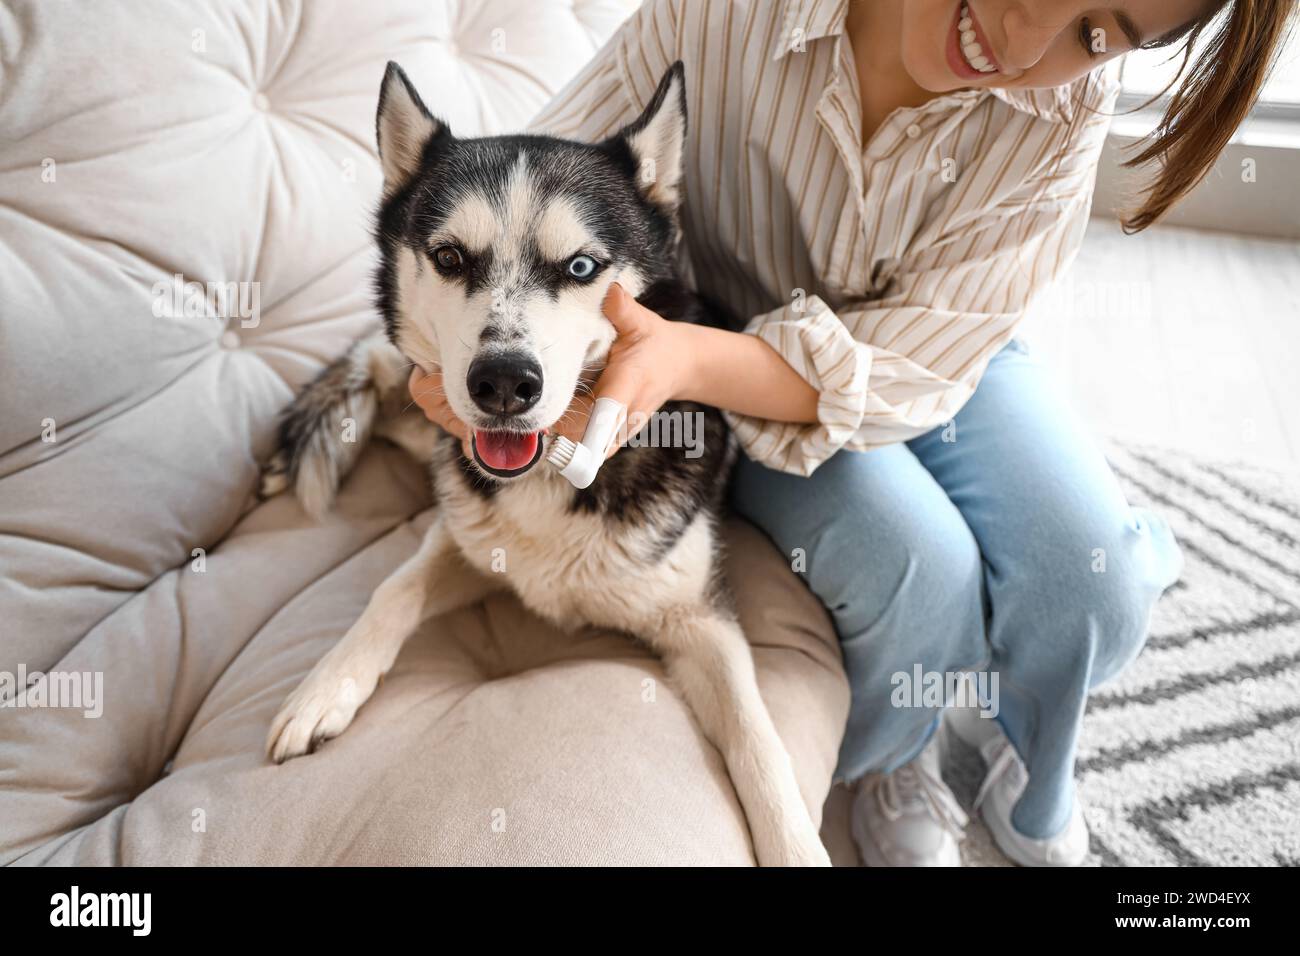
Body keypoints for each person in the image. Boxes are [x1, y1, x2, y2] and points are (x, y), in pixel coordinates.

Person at [410, 0, 1297, 866]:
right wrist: (471, 345)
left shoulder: (1063, 110)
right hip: (728, 353)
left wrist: (680, 363)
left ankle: (1019, 733)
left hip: (937, 343)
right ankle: (894, 758)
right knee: (919, 570)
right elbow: (527, 192)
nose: (1023, 40)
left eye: (1097, 33)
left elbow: (925, 357)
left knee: (1090, 582)